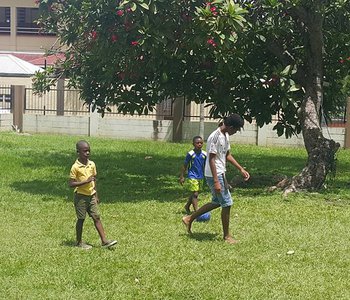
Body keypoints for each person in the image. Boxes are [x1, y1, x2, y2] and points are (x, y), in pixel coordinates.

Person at [182, 114, 250, 244]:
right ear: (230, 126)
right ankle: (226, 236)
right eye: (236, 129)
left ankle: (189, 218)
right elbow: (211, 159)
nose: (236, 132)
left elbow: (227, 154)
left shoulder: (225, 135)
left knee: (217, 201)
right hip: (215, 174)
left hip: (220, 173)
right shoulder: (215, 136)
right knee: (227, 203)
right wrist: (216, 181)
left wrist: (240, 168)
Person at [69, 140, 117, 250]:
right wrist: (85, 181)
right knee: (81, 219)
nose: (87, 153)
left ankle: (104, 241)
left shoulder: (92, 164)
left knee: (96, 217)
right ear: (78, 152)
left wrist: (96, 195)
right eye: (85, 151)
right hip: (80, 197)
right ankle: (79, 242)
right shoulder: (75, 167)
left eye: (89, 151)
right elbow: (71, 183)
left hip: (91, 195)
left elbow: (93, 181)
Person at [179, 136, 207, 215]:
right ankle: (196, 212)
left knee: (194, 194)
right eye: (197, 143)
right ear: (193, 144)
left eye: (201, 143)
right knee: (195, 194)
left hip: (200, 176)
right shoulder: (191, 154)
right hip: (192, 176)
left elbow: (206, 165)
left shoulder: (204, 154)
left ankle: (187, 206)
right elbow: (185, 165)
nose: (199, 144)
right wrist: (182, 176)